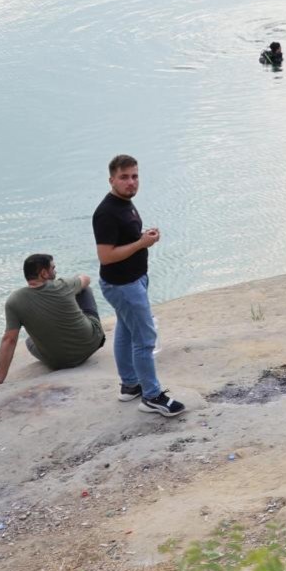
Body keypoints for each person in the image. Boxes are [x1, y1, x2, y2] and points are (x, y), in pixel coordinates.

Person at [93, 155, 185, 416]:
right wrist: (141, 244)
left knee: (126, 330)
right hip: (123, 285)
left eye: (134, 176)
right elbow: (106, 256)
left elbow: (127, 240)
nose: (131, 182)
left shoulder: (125, 204)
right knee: (145, 339)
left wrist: (144, 238)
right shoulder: (106, 213)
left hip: (132, 280)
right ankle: (152, 395)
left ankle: (130, 385)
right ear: (112, 180)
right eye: (124, 177)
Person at [0, 253, 106, 390]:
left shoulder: (14, 301)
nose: (55, 271)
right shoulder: (63, 285)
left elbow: (9, 340)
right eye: (53, 268)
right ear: (44, 273)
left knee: (29, 341)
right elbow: (86, 279)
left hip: (57, 362)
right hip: (91, 344)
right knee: (84, 289)